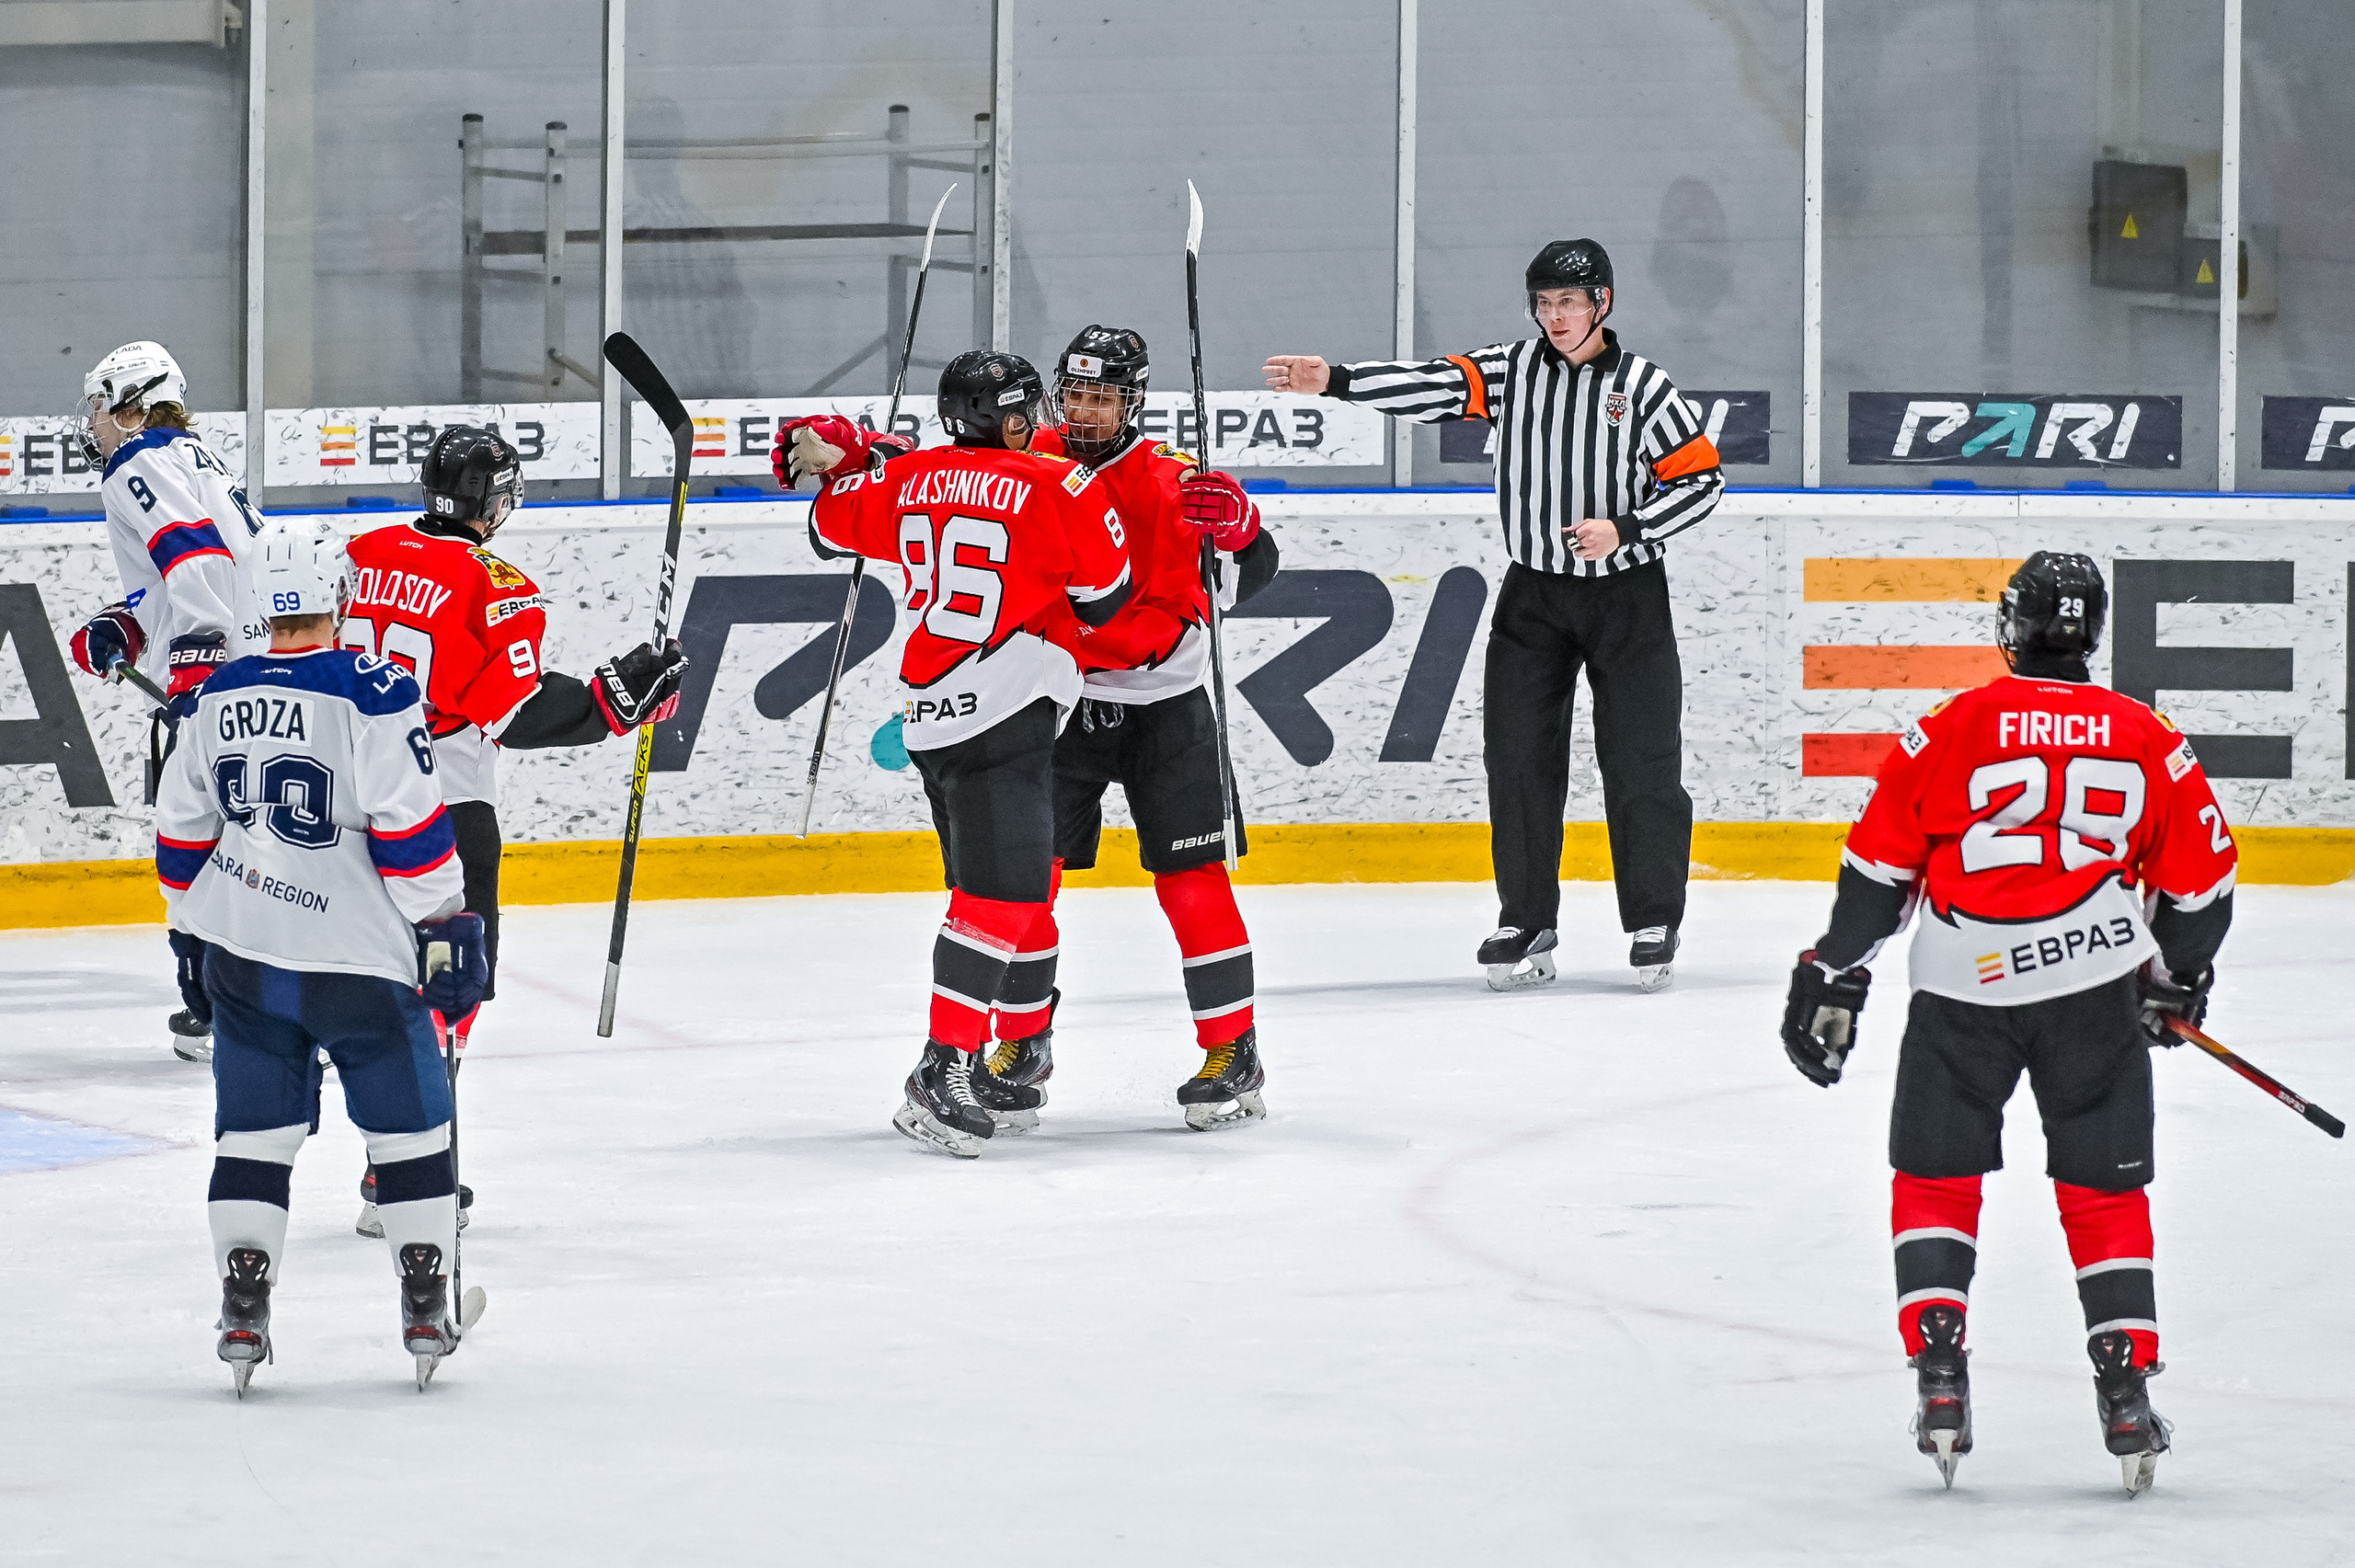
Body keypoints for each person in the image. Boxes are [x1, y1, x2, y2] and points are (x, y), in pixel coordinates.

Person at [1778, 552, 2237, 1495]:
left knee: (1935, 1179)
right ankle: (2124, 1387)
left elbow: (1876, 876)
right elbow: (2201, 884)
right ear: (2094, 632)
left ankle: (1939, 1378)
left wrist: (1834, 970)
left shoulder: (1950, 726)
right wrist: (2174, 975)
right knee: (2102, 1193)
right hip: (2092, 994)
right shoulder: (2147, 736)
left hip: (1961, 990)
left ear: (2009, 627)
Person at [1264, 239, 1722, 992]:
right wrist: (1337, 380)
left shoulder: (1643, 387)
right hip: (1534, 595)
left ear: (1602, 303)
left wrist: (1628, 526)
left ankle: (1651, 915)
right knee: (1516, 758)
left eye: (1569, 303)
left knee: (1641, 761)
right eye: (1544, 304)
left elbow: (1703, 483)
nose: (1555, 317)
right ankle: (1527, 916)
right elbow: (1435, 385)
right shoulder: (1515, 371)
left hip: (1627, 597)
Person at [153, 520, 492, 1393]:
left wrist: (192, 925)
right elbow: (411, 835)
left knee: (255, 1132)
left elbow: (181, 833)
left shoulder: (212, 696)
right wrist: (447, 930)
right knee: (408, 1124)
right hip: (361, 959)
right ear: (338, 598)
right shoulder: (376, 687)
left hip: (247, 954)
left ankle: (242, 1302)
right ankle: (424, 1294)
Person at [777, 349, 1132, 1159]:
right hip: (1007, 706)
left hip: (935, 718)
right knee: (1000, 902)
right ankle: (944, 1070)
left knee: (1003, 893)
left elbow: (829, 523)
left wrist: (854, 456)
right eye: (1028, 410)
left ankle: (1012, 1059)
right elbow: (1106, 597)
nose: (1041, 419)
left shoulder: (907, 479)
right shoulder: (1061, 485)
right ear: (1009, 416)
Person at [340, 426, 689, 1235]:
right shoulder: (497, 585)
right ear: (493, 504)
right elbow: (515, 707)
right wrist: (615, 697)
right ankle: (406, 1175)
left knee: (379, 980)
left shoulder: (363, 550)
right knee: (447, 983)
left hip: (350, 798)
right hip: (441, 808)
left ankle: (387, 1160)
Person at [999, 323, 1280, 1130]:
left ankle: (1234, 1047)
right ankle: (1021, 1042)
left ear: (1134, 400)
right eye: (1075, 393)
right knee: (1026, 881)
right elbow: (942, 468)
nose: (1084, 410)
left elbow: (1254, 571)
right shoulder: (1028, 459)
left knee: (1192, 883)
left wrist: (1241, 526)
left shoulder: (1173, 481)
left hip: (1168, 708)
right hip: (1061, 704)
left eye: (1102, 396)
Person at [64, 340, 270, 1062]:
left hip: (226, 687)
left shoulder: (137, 461)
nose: (93, 425)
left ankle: (219, 1012)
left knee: (194, 847)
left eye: (99, 407)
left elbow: (200, 565)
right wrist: (129, 628)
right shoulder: (194, 456)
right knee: (262, 843)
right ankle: (272, 1003)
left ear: (130, 403)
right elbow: (192, 579)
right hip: (266, 675)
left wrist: (197, 670)